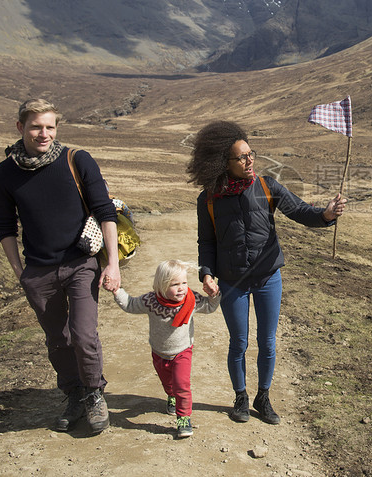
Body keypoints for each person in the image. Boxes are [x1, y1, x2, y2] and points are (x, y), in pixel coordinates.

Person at [186, 120, 346, 424]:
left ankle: (263, 396)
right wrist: (206, 273)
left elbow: (300, 211)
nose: (249, 161)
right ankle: (241, 398)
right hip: (232, 282)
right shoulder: (208, 199)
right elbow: (206, 241)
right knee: (239, 343)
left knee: (268, 341)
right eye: (242, 157)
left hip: (268, 277)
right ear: (224, 162)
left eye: (251, 154)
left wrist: (325, 215)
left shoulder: (266, 186)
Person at [0, 98, 121, 434]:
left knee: (83, 334)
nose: (43, 133)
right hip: (39, 271)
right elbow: (5, 226)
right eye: (36, 126)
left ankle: (94, 394)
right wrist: (20, 272)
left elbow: (105, 213)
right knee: (57, 340)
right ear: (20, 128)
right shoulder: (4, 174)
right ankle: (74, 395)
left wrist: (113, 265)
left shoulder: (77, 161)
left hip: (81, 265)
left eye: (50, 127)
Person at [105, 259, 220, 438]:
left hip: (182, 351)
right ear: (161, 286)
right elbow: (130, 304)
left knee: (182, 385)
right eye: (175, 284)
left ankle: (183, 419)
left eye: (184, 283)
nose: (181, 288)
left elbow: (210, 307)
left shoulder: (191, 299)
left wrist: (214, 295)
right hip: (159, 353)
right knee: (168, 384)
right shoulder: (151, 301)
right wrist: (116, 290)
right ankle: (170, 396)